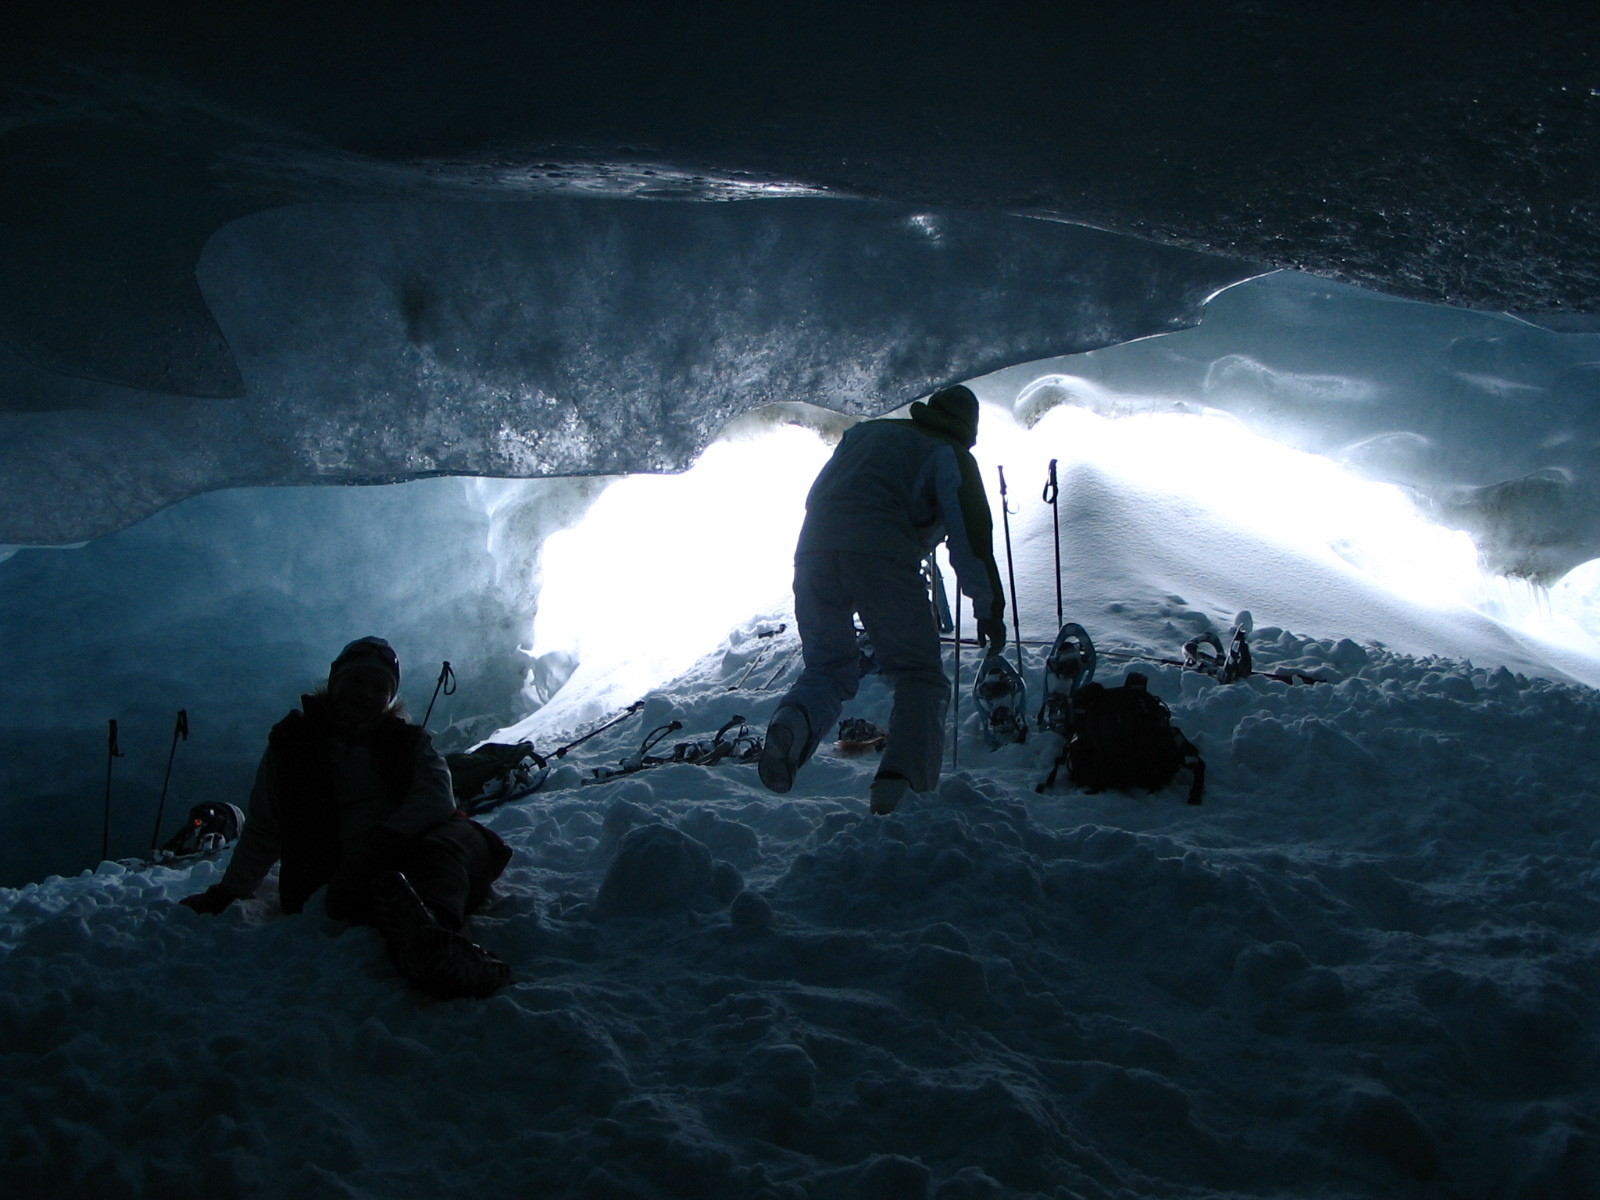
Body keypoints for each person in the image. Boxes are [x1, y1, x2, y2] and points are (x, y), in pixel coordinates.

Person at [179, 636, 514, 999]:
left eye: (378, 687)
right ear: (334, 681)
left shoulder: (405, 742)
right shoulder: (292, 745)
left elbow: (436, 796)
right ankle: (429, 937)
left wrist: (382, 842)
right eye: (356, 681)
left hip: (386, 863)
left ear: (389, 698)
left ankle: (430, 935)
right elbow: (264, 828)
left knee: (453, 835)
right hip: (333, 881)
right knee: (457, 841)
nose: (365, 693)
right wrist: (229, 892)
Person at [760, 384, 1006, 814]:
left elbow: (817, 495)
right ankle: (902, 796)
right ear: (969, 428)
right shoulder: (950, 452)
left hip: (813, 552)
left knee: (830, 666)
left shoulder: (866, 434)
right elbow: (971, 538)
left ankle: (792, 724)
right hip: (882, 555)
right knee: (920, 677)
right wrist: (988, 608)